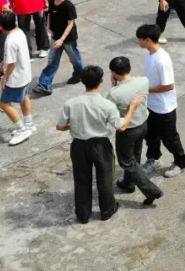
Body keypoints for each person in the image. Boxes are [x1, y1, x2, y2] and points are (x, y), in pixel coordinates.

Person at [56, 65, 141, 223]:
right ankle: (107, 210)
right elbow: (121, 126)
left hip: (79, 145)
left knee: (81, 180)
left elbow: (60, 126)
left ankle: (83, 214)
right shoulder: (107, 105)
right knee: (105, 178)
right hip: (101, 145)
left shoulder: (71, 103)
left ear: (82, 81)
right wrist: (132, 109)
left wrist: (75, 125)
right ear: (101, 81)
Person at [108, 56, 164, 204]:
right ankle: (129, 183)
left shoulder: (114, 93)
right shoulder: (143, 81)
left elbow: (107, 111)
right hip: (143, 125)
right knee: (135, 156)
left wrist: (114, 86)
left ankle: (151, 190)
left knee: (126, 161)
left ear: (114, 73)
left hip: (128, 130)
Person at [138, 23, 185, 178]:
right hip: (151, 105)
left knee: (170, 138)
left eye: (140, 39)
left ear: (148, 40)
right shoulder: (149, 55)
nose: (139, 42)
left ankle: (181, 162)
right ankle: (153, 159)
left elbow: (169, 86)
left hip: (164, 108)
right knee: (151, 135)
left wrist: (147, 90)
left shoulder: (162, 60)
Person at [33, 0, 84, 94]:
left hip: (68, 39)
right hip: (55, 37)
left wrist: (61, 39)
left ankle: (79, 74)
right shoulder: (52, 2)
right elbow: (50, 15)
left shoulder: (68, 6)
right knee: (52, 61)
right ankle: (44, 85)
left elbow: (70, 24)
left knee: (74, 58)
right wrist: (48, 27)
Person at [0, 11, 34, 146]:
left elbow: (11, 63)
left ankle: (22, 130)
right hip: (25, 73)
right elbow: (11, 57)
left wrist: (4, 78)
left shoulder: (9, 41)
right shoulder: (20, 32)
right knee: (24, 97)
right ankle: (29, 124)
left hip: (16, 78)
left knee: (4, 104)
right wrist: (1, 66)